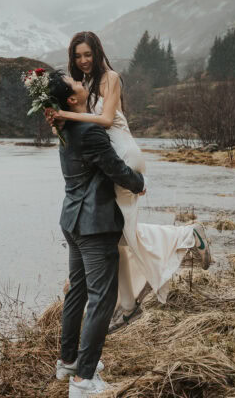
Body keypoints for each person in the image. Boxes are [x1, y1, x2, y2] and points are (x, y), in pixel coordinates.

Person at [47, 31, 212, 332]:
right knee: (115, 233)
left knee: (119, 232)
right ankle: (127, 305)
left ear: (97, 53)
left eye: (87, 54)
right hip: (108, 156)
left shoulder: (111, 77)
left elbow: (107, 121)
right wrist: (59, 118)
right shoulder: (80, 86)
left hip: (123, 154)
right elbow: (80, 126)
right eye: (77, 56)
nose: (83, 61)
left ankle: (187, 237)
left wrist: (66, 116)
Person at [46, 70, 145, 398]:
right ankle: (84, 380)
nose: (81, 82)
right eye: (74, 83)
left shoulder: (66, 126)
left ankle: (68, 362)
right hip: (95, 224)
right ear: (72, 99)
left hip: (72, 220)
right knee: (104, 298)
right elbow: (114, 167)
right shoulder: (89, 129)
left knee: (77, 292)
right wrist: (139, 183)